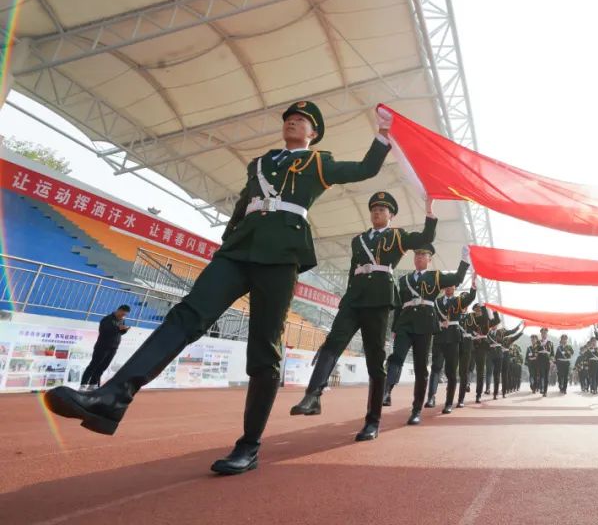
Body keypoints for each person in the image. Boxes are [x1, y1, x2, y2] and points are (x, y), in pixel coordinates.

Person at [46, 101, 392, 475]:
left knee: (264, 350)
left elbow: (365, 169)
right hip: (239, 250)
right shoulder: (260, 164)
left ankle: (249, 445)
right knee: (186, 315)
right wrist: (227, 243)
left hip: (281, 254)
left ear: (314, 133)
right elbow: (243, 206)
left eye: (303, 120)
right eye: (290, 118)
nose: (293, 121)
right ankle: (113, 396)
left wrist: (383, 137)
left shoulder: (319, 163)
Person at [289, 190, 436, 441]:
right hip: (354, 298)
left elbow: (424, 237)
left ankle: (372, 421)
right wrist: (346, 298)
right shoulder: (358, 240)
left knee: (375, 360)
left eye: (382, 210)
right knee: (333, 341)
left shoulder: (397, 236)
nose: (377, 213)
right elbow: (352, 270)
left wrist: (430, 213)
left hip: (378, 299)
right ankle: (313, 395)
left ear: (390, 215)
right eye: (374, 209)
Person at [382, 243, 470, 425]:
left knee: (421, 368)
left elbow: (458, 278)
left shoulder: (435, 276)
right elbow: (398, 306)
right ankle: (387, 390)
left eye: (423, 255)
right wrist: (394, 329)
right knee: (396, 356)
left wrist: (464, 260)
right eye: (417, 254)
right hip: (405, 323)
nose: (419, 257)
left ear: (430, 259)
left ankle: (416, 410)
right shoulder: (404, 280)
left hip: (424, 325)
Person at [426, 272, 478, 414]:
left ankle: (448, 403)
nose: (449, 287)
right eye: (447, 285)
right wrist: (438, 324)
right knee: (435, 367)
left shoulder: (458, 301)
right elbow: (431, 318)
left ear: (455, 287)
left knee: (451, 371)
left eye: (452, 285)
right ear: (443, 287)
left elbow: (471, 297)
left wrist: (473, 285)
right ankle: (431, 397)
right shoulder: (436, 302)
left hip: (453, 339)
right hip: (439, 337)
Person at [80, 305, 131, 389]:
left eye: (125, 315)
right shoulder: (107, 319)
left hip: (113, 347)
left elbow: (119, 333)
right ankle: (83, 384)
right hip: (102, 346)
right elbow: (104, 331)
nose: (123, 316)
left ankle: (93, 384)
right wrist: (118, 328)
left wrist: (124, 330)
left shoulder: (122, 320)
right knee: (94, 365)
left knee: (103, 367)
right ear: (119, 310)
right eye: (122, 314)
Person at [535, 327, 555, 396]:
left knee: (546, 376)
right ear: (541, 334)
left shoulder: (550, 343)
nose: (544, 334)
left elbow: (552, 353)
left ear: (547, 334)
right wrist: (539, 347)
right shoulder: (538, 342)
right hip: (540, 360)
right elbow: (535, 350)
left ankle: (545, 391)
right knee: (541, 375)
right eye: (542, 333)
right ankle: (542, 388)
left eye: (545, 333)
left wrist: (551, 360)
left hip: (547, 360)